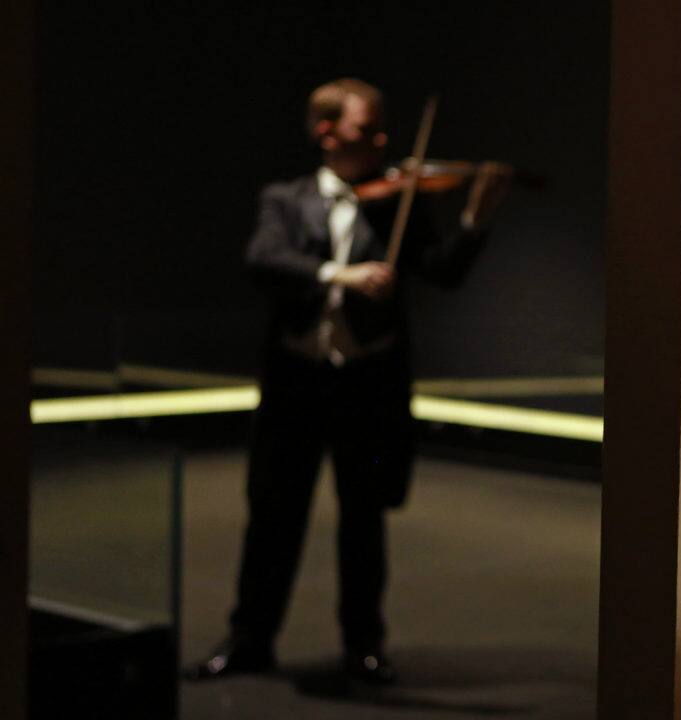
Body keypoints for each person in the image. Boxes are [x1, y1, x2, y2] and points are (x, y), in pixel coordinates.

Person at [189, 78, 509, 685]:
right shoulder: (285, 198)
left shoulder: (398, 204)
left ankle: (364, 645)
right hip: (295, 384)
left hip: (368, 385)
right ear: (326, 131)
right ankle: (250, 638)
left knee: (364, 521)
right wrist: (343, 273)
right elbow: (264, 259)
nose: (383, 140)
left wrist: (474, 218)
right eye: (368, 129)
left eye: (384, 129)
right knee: (273, 517)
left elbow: (443, 273)